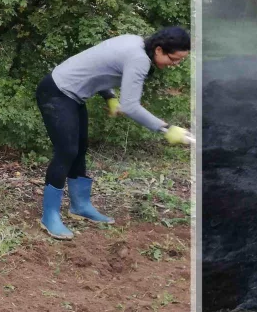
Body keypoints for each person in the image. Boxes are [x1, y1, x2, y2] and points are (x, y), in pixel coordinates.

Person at [34, 27, 193, 240]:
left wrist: (109, 95)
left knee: (79, 149)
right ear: (158, 50)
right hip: (56, 92)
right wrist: (166, 128)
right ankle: (50, 215)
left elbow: (98, 65)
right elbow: (130, 106)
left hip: (73, 96)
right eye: (174, 59)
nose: (175, 64)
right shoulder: (139, 60)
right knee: (67, 151)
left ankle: (80, 206)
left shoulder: (135, 41)